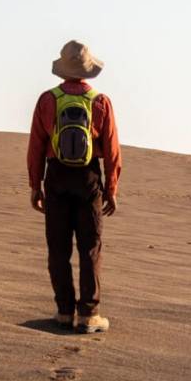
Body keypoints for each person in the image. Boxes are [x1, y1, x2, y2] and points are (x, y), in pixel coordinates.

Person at [27, 40, 121, 333]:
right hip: (88, 178)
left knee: (58, 248)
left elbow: (36, 146)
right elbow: (112, 150)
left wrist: (35, 185)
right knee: (90, 247)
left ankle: (64, 312)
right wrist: (111, 189)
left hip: (56, 176)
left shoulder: (47, 100)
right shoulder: (100, 101)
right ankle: (89, 315)